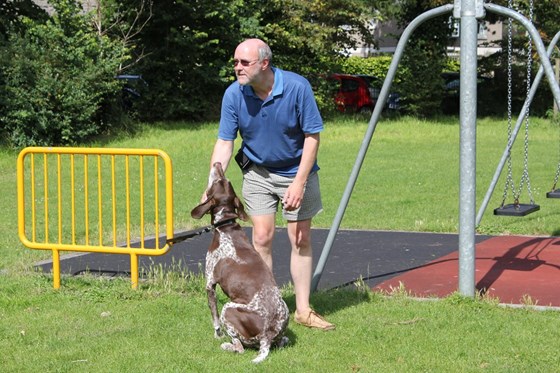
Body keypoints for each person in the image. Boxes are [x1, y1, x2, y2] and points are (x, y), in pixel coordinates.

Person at [205, 38, 334, 330]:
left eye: (244, 63)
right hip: (258, 172)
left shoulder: (297, 87)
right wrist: (212, 182)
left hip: (297, 171)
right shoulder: (234, 94)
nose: (237, 68)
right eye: (235, 62)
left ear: (264, 63)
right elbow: (226, 142)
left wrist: (299, 183)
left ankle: (302, 310)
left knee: (299, 238)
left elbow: (312, 137)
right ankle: (269, 306)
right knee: (261, 238)